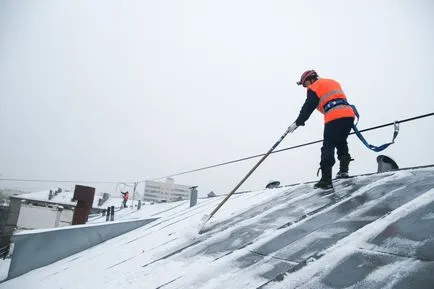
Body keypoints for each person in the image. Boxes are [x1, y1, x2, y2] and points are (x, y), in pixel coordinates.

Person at [287, 70, 355, 189]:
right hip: (349, 114)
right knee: (341, 141)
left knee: (328, 146)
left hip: (333, 116)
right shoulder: (332, 82)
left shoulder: (315, 87)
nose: (306, 87)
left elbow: (308, 106)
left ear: (311, 79)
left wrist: (298, 122)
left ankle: (326, 180)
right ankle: (344, 171)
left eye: (305, 84)